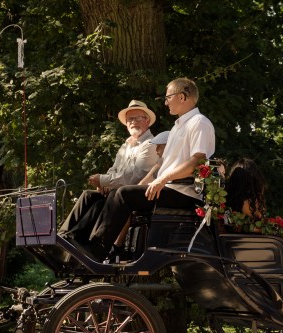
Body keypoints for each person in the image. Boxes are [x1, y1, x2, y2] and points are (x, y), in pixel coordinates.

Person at [86, 78, 215, 261]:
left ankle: (96, 251)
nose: (165, 102)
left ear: (182, 97)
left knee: (123, 195)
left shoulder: (199, 123)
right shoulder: (179, 126)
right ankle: (93, 245)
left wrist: (162, 180)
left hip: (184, 193)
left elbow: (197, 162)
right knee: (117, 193)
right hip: (169, 187)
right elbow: (162, 165)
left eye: (168, 97)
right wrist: (150, 181)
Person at [58, 99, 160, 245]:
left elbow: (134, 175)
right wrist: (104, 183)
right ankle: (63, 237)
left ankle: (82, 242)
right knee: (88, 195)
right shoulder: (126, 145)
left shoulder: (150, 144)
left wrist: (104, 181)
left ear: (148, 121)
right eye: (130, 119)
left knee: (103, 202)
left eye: (138, 118)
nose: (133, 122)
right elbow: (114, 169)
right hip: (119, 191)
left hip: (138, 195)